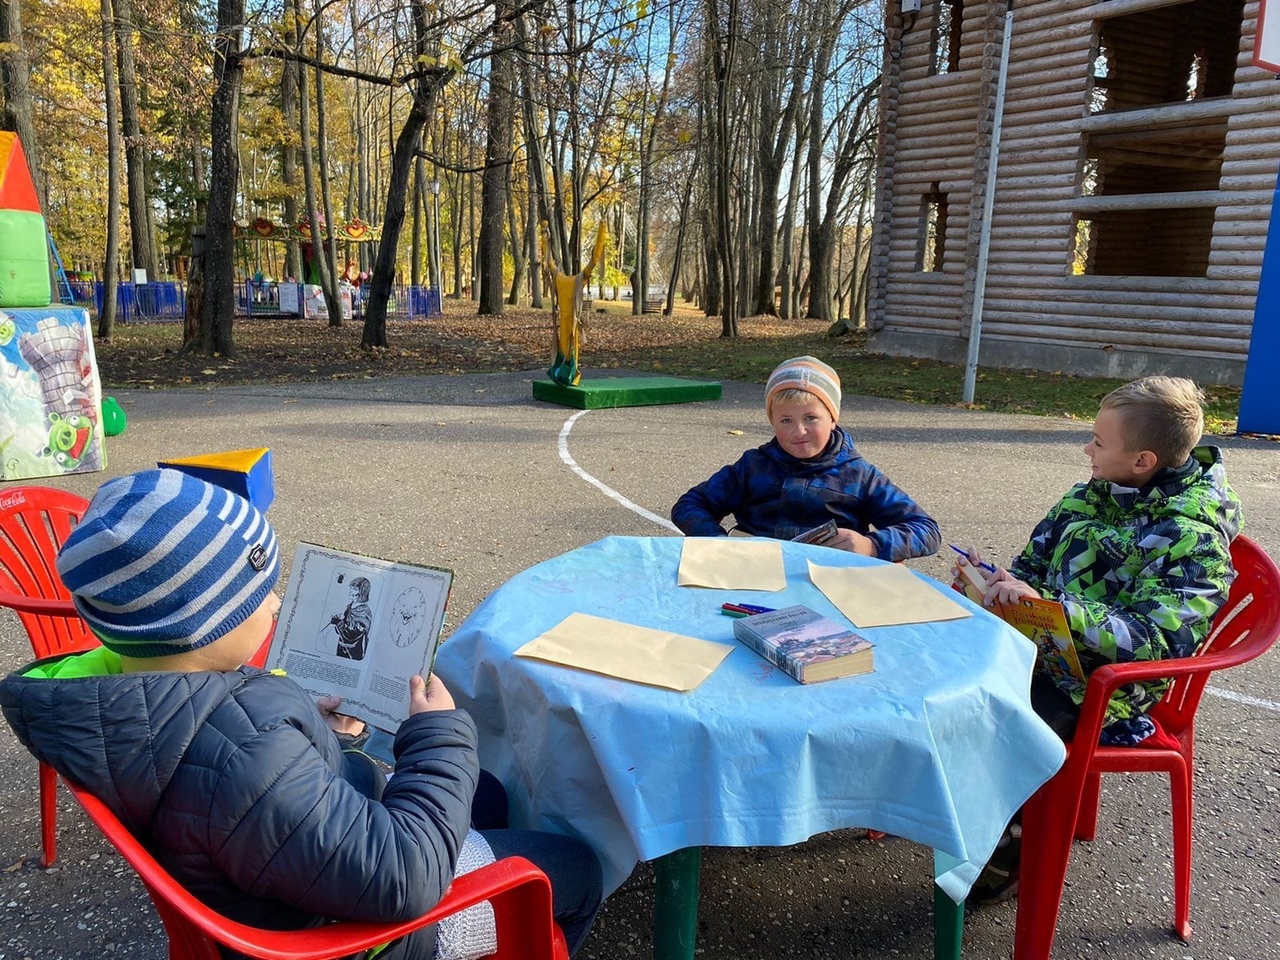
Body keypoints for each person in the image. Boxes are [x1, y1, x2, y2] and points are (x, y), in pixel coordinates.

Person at [0, 469, 602, 959]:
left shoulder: (132, 696)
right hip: (354, 938)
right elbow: (406, 876)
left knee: (488, 793)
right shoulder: (246, 752)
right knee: (576, 867)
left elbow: (248, 783)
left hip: (284, 871)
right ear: (203, 624)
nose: (278, 601)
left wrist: (314, 735)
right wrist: (439, 736)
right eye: (260, 593)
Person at [955, 376, 1243, 903]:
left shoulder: (1191, 538)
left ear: (1143, 461)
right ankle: (950, 808)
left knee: (1001, 717)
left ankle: (1012, 843)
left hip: (1109, 688)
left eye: (1099, 442)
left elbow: (1158, 639)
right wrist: (999, 583)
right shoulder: (1089, 496)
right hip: (1048, 647)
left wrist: (1057, 610)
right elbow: (1033, 564)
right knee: (946, 674)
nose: (1086, 448)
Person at [671, 355, 941, 561]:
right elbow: (690, 504)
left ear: (833, 418)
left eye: (811, 418)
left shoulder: (860, 477)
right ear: (772, 422)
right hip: (752, 579)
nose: (798, 431)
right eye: (786, 420)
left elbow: (926, 530)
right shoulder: (753, 466)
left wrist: (871, 545)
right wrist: (719, 543)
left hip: (831, 588)